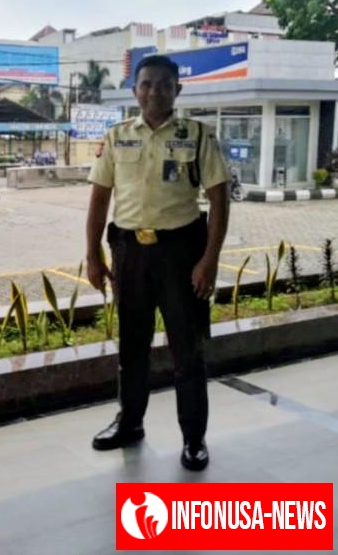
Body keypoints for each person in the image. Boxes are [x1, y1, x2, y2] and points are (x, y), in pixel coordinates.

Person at [85, 55, 230, 471]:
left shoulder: (198, 136)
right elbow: (99, 198)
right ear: (135, 89)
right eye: (147, 84)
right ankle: (130, 423)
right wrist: (93, 252)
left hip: (181, 253)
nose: (154, 92)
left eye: (164, 84)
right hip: (130, 253)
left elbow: (219, 200)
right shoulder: (117, 137)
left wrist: (209, 260)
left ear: (177, 90)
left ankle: (194, 438)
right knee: (132, 347)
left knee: (187, 351)